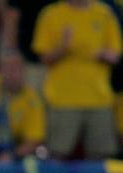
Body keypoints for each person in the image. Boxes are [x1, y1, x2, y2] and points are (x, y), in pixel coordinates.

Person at [32, 0, 121, 160]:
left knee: (103, 155)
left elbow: (115, 53)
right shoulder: (51, 14)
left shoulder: (104, 13)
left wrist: (104, 55)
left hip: (99, 98)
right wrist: (63, 48)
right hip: (63, 99)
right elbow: (43, 57)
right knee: (57, 154)